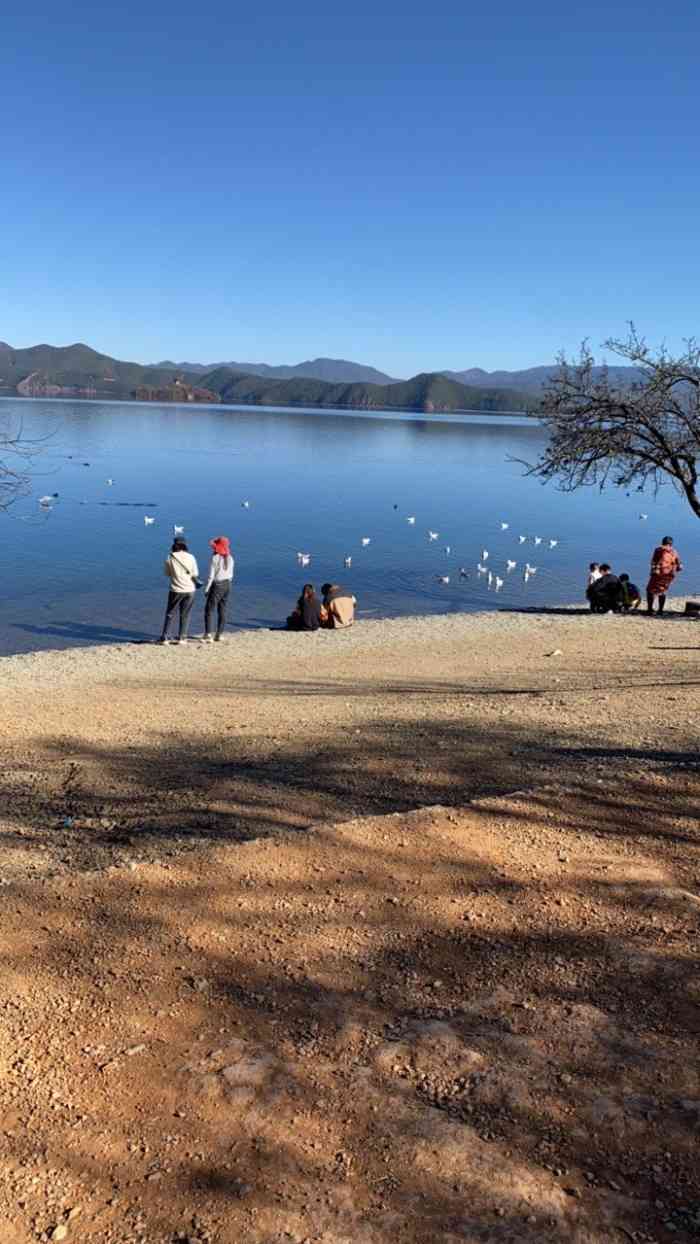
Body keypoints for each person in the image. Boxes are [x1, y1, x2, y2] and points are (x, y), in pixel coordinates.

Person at [160, 537, 200, 644]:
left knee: (170, 613)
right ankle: (182, 638)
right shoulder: (191, 557)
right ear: (185, 545)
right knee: (185, 614)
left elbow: (167, 574)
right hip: (190, 589)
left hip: (176, 589)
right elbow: (195, 573)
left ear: (174, 545)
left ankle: (165, 637)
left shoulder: (170, 558)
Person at [202, 535, 234, 643]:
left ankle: (208, 634)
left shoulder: (215, 558)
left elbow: (211, 576)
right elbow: (231, 575)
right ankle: (219, 634)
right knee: (222, 610)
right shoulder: (230, 558)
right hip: (228, 585)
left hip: (217, 585)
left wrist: (207, 589)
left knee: (209, 610)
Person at [646, 536, 682, 615]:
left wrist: (653, 572)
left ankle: (649, 610)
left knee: (649, 590)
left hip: (660, 573)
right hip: (670, 575)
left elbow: (654, 562)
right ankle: (660, 610)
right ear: (671, 544)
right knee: (663, 590)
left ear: (662, 542)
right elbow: (680, 566)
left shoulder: (659, 549)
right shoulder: (674, 551)